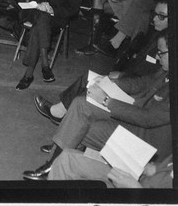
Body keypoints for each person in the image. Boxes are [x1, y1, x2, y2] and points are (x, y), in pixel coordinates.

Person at [23, 31, 170, 180]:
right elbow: (141, 83)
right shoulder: (166, 71)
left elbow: (147, 118)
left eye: (161, 53)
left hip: (144, 144)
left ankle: (57, 159)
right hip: (135, 124)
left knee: (82, 125)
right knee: (82, 104)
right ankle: (56, 160)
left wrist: (107, 101)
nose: (157, 57)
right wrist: (110, 83)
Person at [33, 0, 168, 127]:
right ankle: (61, 112)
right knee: (89, 78)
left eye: (161, 16)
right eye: (155, 14)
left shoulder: (168, 47)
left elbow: (151, 80)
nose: (155, 19)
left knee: (91, 89)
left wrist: (121, 76)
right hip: (130, 79)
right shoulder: (155, 33)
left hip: (137, 93)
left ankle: (64, 116)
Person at [16, 0, 86, 90]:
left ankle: (29, 74)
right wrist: (40, 4)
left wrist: (52, 9)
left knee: (40, 24)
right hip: (35, 9)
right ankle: (45, 64)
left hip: (56, 17)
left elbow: (73, 9)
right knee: (42, 18)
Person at [48, 148, 173, 188]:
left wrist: (136, 188)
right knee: (68, 157)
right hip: (140, 176)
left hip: (139, 200)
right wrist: (155, 167)